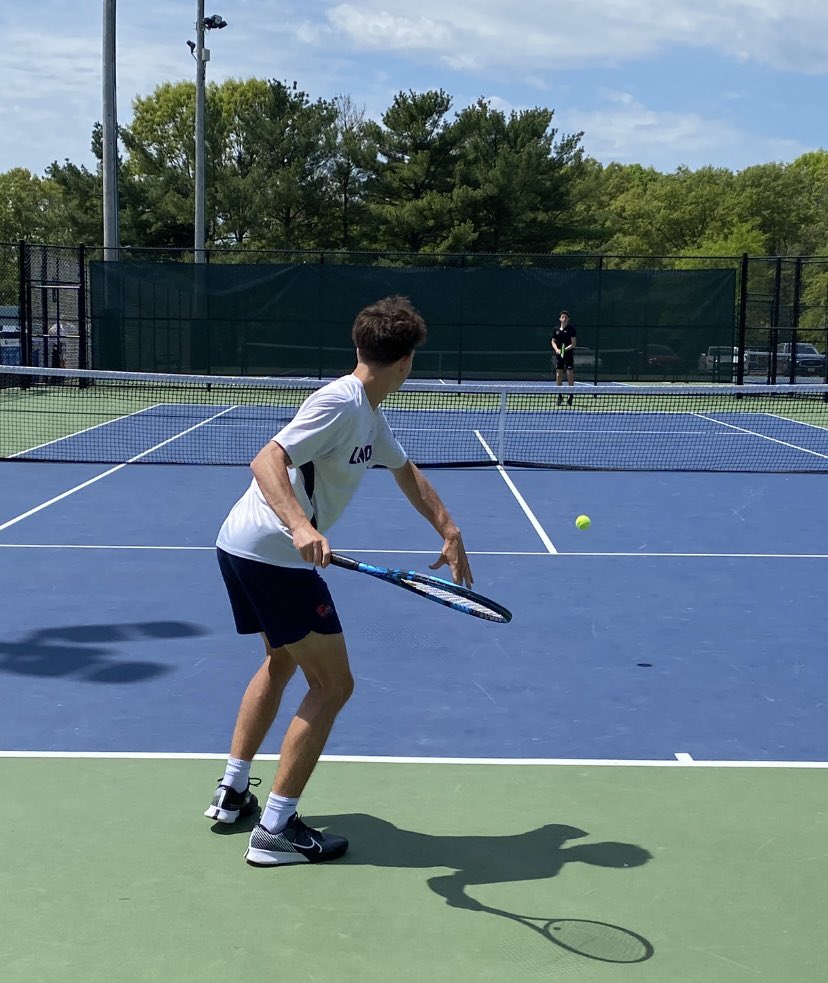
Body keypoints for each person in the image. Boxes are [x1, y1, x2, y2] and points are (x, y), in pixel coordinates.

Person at [206, 295, 473, 868]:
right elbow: (266, 460)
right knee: (334, 686)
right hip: (274, 554)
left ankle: (233, 791)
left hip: (242, 544)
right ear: (407, 364)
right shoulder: (340, 403)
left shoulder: (368, 415)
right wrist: (301, 525)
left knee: (281, 661)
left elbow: (405, 472)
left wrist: (448, 530)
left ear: (361, 348)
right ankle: (275, 830)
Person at [550, 310, 577, 406]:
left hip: (568, 355)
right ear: (560, 318)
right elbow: (553, 341)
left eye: (566, 317)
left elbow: (573, 344)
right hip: (558, 355)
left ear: (568, 319)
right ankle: (559, 396)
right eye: (562, 317)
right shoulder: (555, 329)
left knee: (570, 374)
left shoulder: (571, 329)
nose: (564, 319)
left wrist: (564, 349)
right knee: (558, 375)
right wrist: (557, 349)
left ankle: (570, 396)